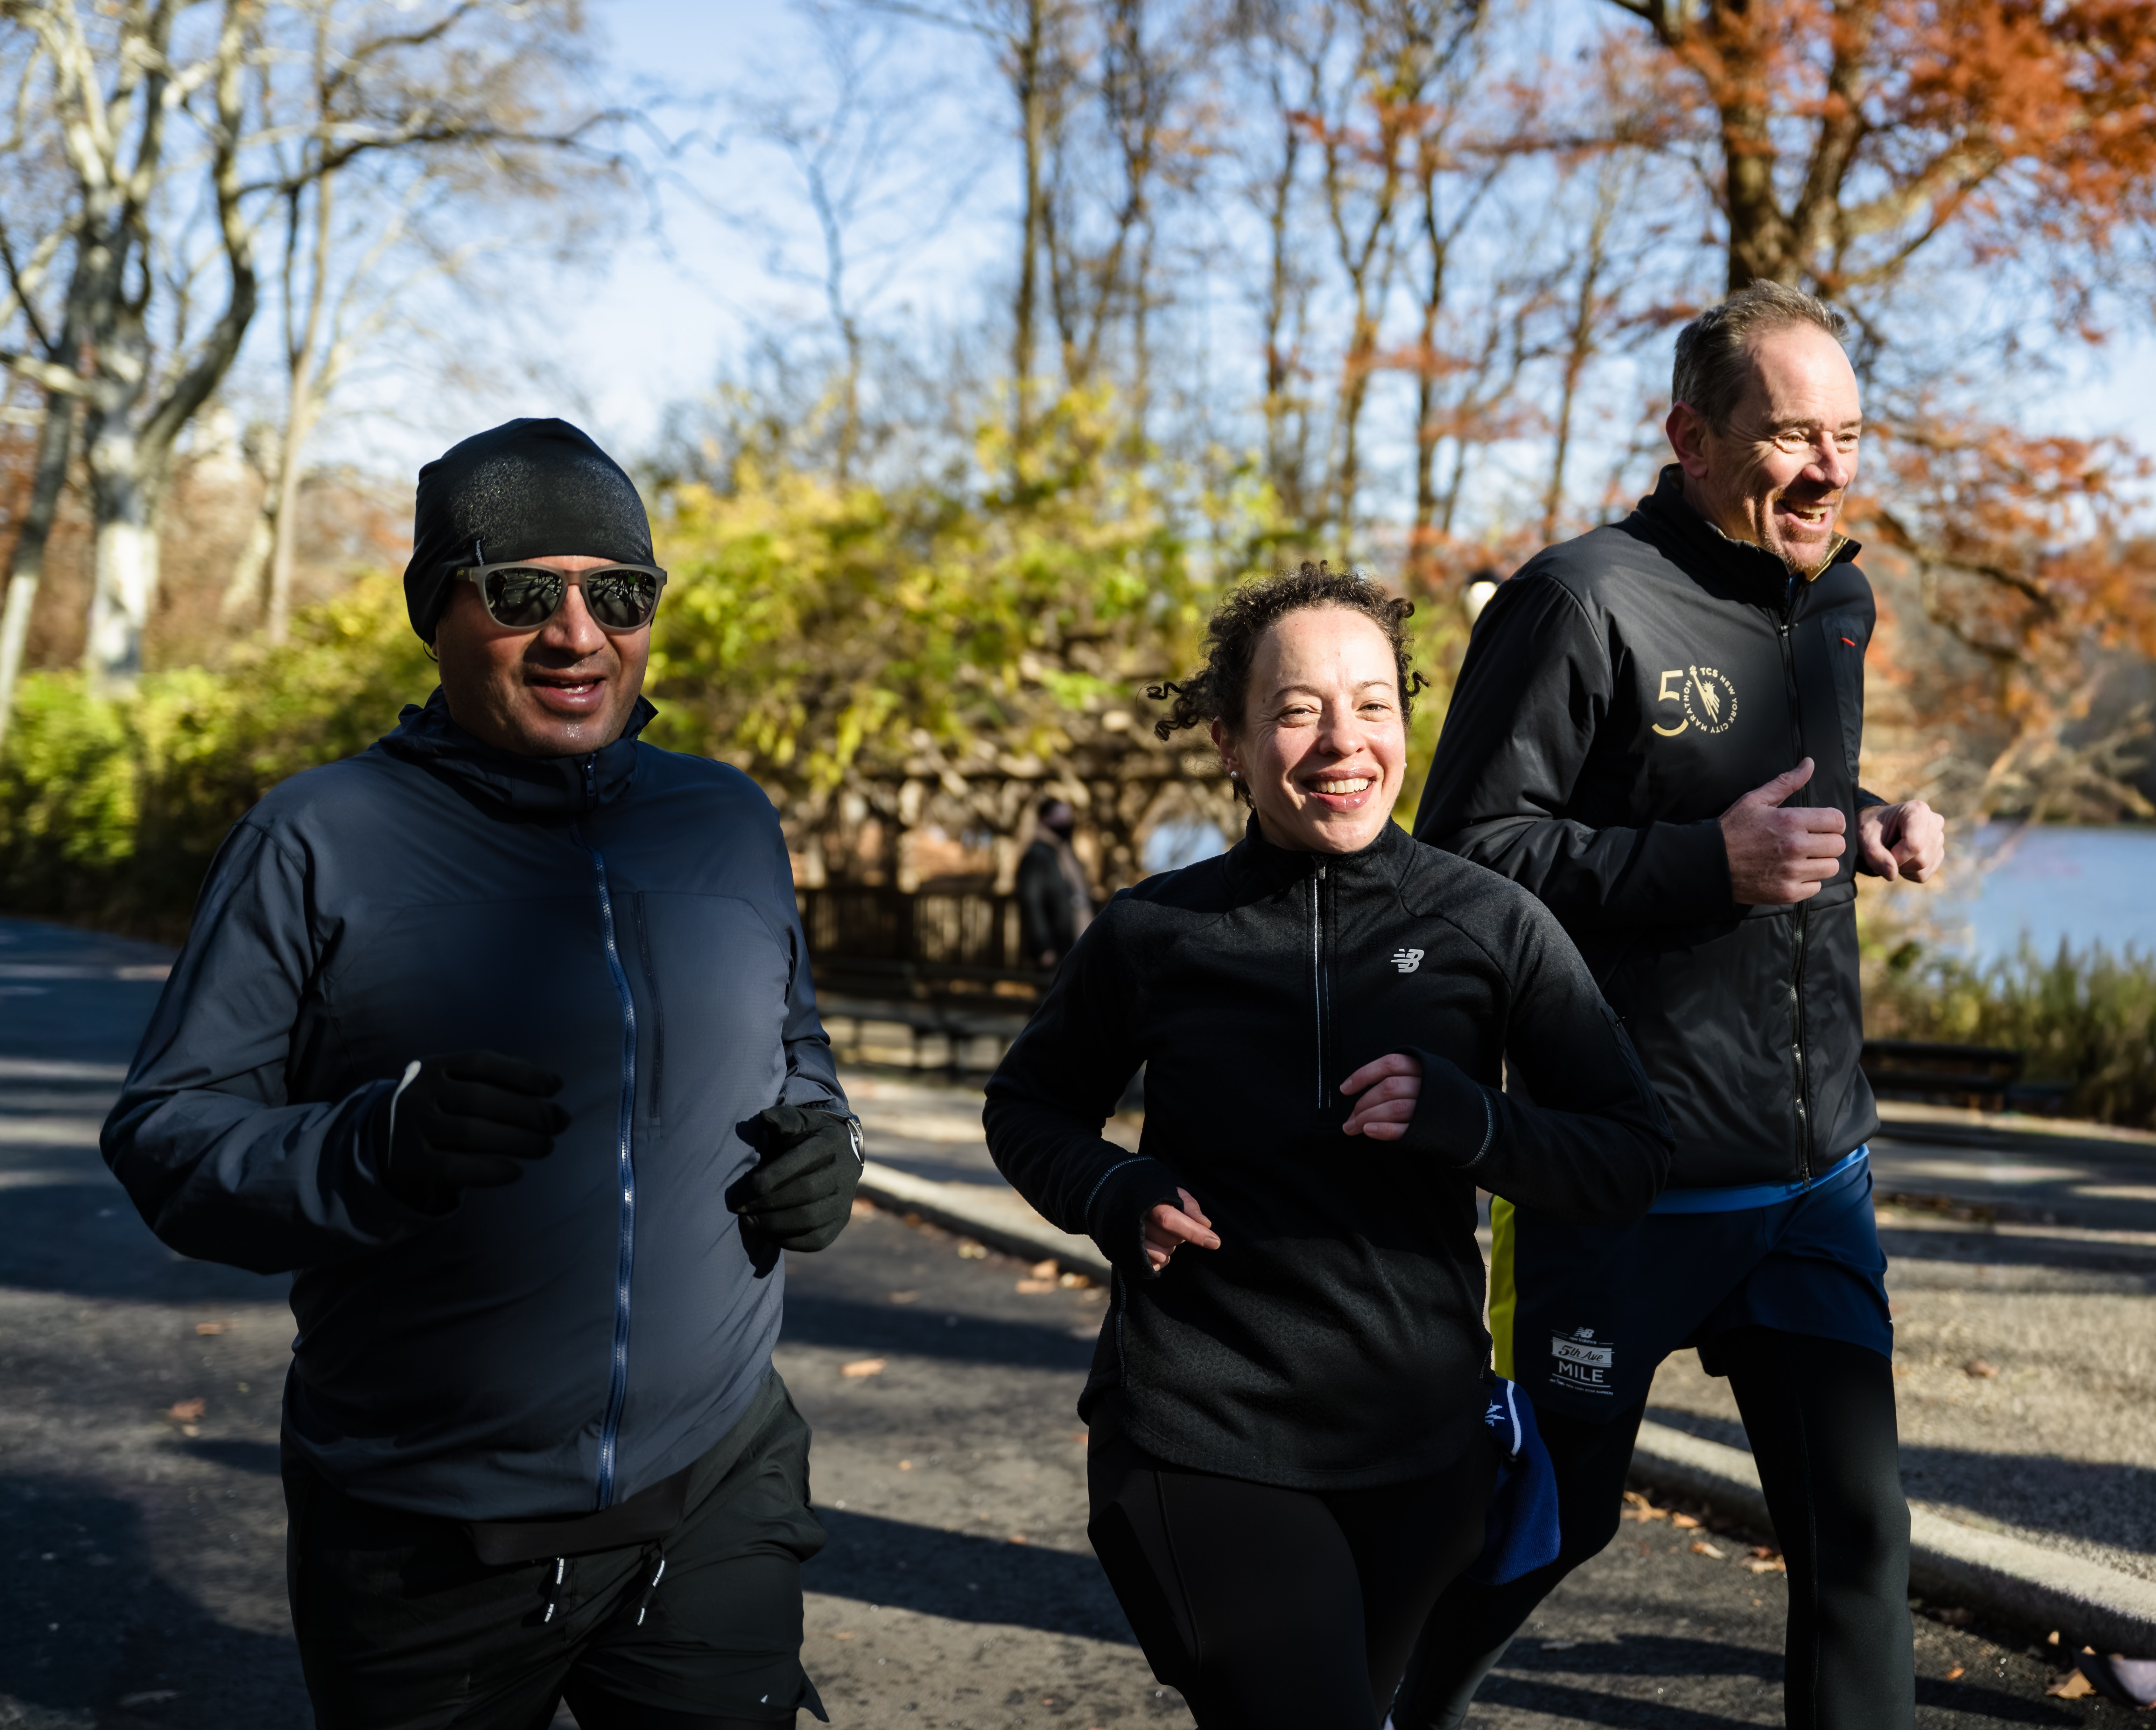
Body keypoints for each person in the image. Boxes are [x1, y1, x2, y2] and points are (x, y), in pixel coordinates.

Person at [101, 418, 864, 1730]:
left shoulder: (727, 818)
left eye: (618, 594)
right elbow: (168, 1135)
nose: (577, 633)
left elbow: (793, 1037)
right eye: (522, 592)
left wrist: (826, 1135)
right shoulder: (316, 836)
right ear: (436, 612)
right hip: (425, 1534)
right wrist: (369, 1147)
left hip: (717, 1485)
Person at [982, 565, 1675, 1730]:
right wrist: (1116, 1185)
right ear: (1231, 742)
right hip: (1202, 1431)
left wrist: (1478, 1122)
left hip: (1420, 1453)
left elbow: (1629, 1153)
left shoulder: (1490, 923)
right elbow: (1028, 1108)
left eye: (1373, 704)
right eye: (1298, 709)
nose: (1342, 741)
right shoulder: (1154, 931)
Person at [1396, 283, 1949, 1730]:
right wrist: (1702, 865)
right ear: (1688, 437)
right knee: (1548, 1520)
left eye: (1844, 435)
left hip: (1807, 1173)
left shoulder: (1833, 597)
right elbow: (1460, 859)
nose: (1826, 471)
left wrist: (1868, 821)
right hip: (1610, 1176)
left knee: (1857, 1536)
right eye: (1788, 439)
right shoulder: (1575, 600)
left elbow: (1782, 809)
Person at [1014, 795, 1095, 969]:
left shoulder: (1066, 853)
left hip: (1074, 943)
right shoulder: (1036, 856)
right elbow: (1031, 902)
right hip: (1055, 949)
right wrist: (1043, 947)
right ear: (1045, 819)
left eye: (1068, 817)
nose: (1067, 822)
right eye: (1061, 817)